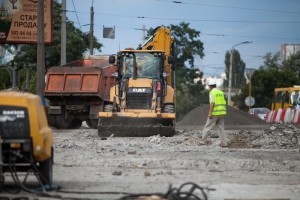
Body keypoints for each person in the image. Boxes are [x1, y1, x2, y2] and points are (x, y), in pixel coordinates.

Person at [202, 80, 228, 147]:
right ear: (215, 85)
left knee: (207, 127)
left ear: (210, 86)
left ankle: (203, 141)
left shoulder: (212, 92)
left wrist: (210, 113)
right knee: (221, 129)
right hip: (222, 112)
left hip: (215, 112)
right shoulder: (221, 92)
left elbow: (212, 103)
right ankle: (224, 143)